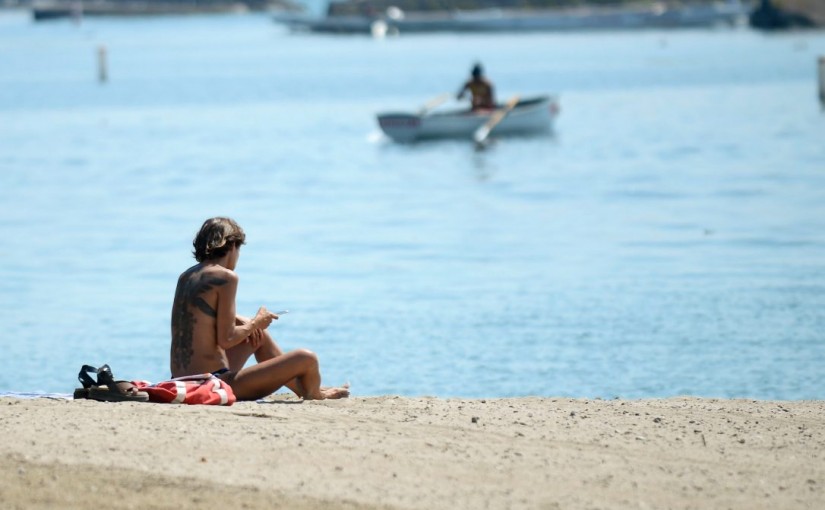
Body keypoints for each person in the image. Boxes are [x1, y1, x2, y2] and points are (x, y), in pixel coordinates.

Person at [170, 217, 349, 401]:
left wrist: (249, 324)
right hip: (212, 384)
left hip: (182, 380)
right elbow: (227, 339)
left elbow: (200, 315)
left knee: (258, 336)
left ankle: (301, 388)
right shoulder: (226, 277)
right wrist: (257, 321)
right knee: (307, 358)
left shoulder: (186, 276)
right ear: (232, 246)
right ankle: (314, 394)